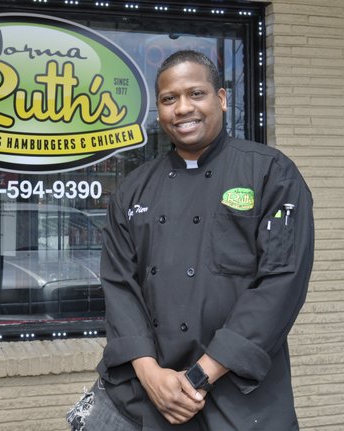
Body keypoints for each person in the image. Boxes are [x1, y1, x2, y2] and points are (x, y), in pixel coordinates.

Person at [67, 49, 314, 430]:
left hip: (240, 397)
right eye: (169, 99)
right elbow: (119, 286)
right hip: (146, 394)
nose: (183, 108)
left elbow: (281, 284)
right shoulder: (134, 188)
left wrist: (199, 376)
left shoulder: (270, 173)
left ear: (222, 98)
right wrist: (151, 375)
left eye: (196, 94)